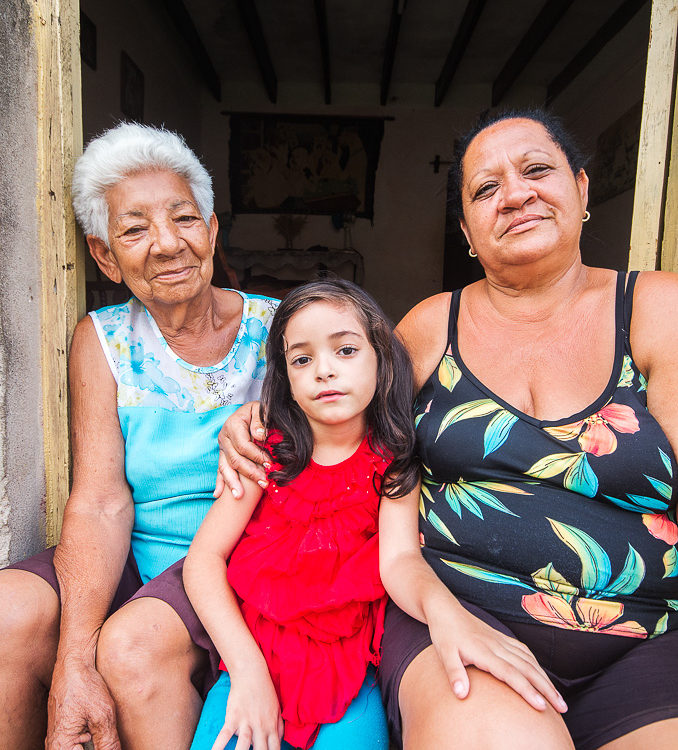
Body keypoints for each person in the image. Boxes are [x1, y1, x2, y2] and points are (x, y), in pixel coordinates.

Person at [218, 110, 678, 750]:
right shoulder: (435, 324)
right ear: (467, 230)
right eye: (485, 189)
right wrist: (252, 416)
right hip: (458, 614)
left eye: (537, 170)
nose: (515, 194)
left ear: (581, 187)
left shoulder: (657, 308)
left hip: (644, 640)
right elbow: (337, 397)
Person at [0, 122, 278, 750]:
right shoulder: (103, 339)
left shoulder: (280, 329)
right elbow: (101, 501)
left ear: (211, 232)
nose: (166, 244)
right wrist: (74, 663)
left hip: (241, 562)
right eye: (133, 229)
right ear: (105, 256)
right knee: (8, 614)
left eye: (184, 219)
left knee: (135, 647)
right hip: (132, 563)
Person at [185, 279, 419, 750]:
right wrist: (248, 675)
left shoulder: (393, 463)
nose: (324, 371)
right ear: (286, 379)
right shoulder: (266, 454)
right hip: (254, 660)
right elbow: (203, 560)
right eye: (302, 359)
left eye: (346, 351)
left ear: (381, 358)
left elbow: (401, 563)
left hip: (350, 674)